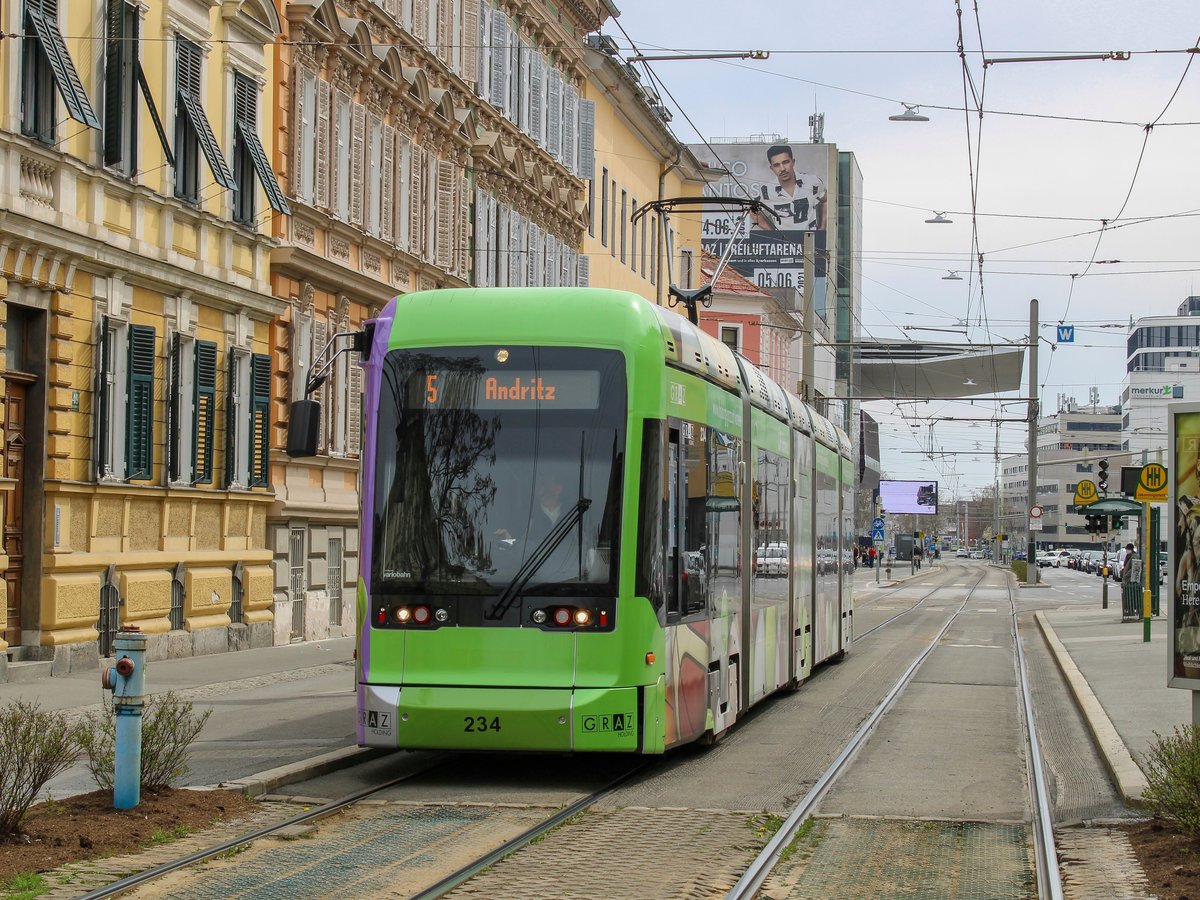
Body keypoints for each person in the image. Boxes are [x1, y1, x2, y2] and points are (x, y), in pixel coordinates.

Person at [750, 145, 827, 231]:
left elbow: (826, 200)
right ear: (771, 168)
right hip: (784, 242)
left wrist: (823, 226)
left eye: (786, 162)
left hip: (809, 239)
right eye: (776, 165)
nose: (782, 168)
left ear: (793, 162)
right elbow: (753, 212)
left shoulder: (812, 181)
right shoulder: (767, 190)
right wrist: (772, 232)